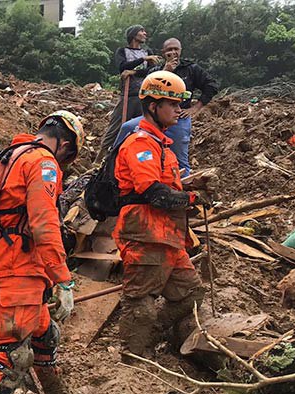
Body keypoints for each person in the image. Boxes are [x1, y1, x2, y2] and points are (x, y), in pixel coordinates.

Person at [0, 111, 91, 394]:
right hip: (17, 265)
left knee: (45, 333)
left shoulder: (2, 160)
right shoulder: (43, 162)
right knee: (13, 352)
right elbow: (44, 223)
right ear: (65, 146)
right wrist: (63, 278)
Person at [113, 70, 211, 357]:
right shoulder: (140, 144)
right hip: (145, 235)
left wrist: (191, 188)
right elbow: (153, 192)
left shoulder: (162, 146)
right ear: (154, 106)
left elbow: (167, 187)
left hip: (168, 237)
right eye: (173, 104)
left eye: (180, 104)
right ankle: (132, 360)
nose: (179, 110)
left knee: (192, 293)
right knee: (140, 304)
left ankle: (152, 334)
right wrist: (192, 198)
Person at [112, 38, 219, 175]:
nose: (173, 52)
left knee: (179, 159)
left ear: (181, 50)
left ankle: (181, 185)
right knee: (127, 128)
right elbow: (147, 87)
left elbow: (211, 86)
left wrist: (195, 108)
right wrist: (165, 71)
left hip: (178, 119)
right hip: (153, 118)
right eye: (169, 50)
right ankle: (112, 168)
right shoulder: (156, 70)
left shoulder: (190, 69)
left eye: (176, 49)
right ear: (163, 52)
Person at [96, 25, 160, 161]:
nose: (145, 33)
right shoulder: (122, 51)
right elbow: (122, 67)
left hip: (145, 96)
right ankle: (101, 158)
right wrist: (143, 60)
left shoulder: (147, 51)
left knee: (144, 128)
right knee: (116, 126)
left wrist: (134, 72)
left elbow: (152, 71)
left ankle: (140, 159)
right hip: (127, 95)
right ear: (134, 34)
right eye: (141, 31)